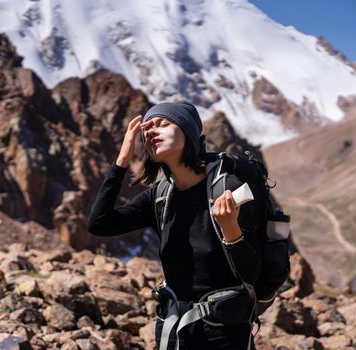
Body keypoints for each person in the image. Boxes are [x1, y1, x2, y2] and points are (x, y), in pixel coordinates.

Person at [87, 100, 261, 349]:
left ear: (187, 131)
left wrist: (230, 228)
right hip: (174, 326)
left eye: (162, 124)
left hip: (223, 331)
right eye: (146, 129)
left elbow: (251, 274)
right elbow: (99, 224)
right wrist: (121, 161)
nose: (151, 132)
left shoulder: (227, 188)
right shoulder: (161, 196)